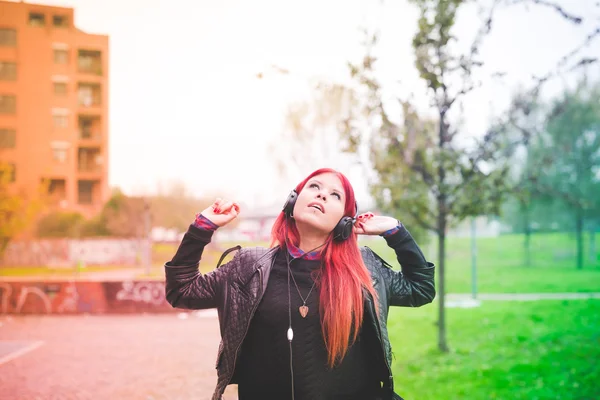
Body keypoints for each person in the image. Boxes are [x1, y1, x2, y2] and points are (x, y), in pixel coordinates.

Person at [165, 168, 435, 400]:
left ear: (344, 220)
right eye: (314, 186)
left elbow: (420, 289)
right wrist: (202, 227)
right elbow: (182, 290)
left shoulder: (364, 271)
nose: (321, 195)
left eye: (335, 195)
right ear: (292, 202)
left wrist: (395, 231)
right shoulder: (249, 267)